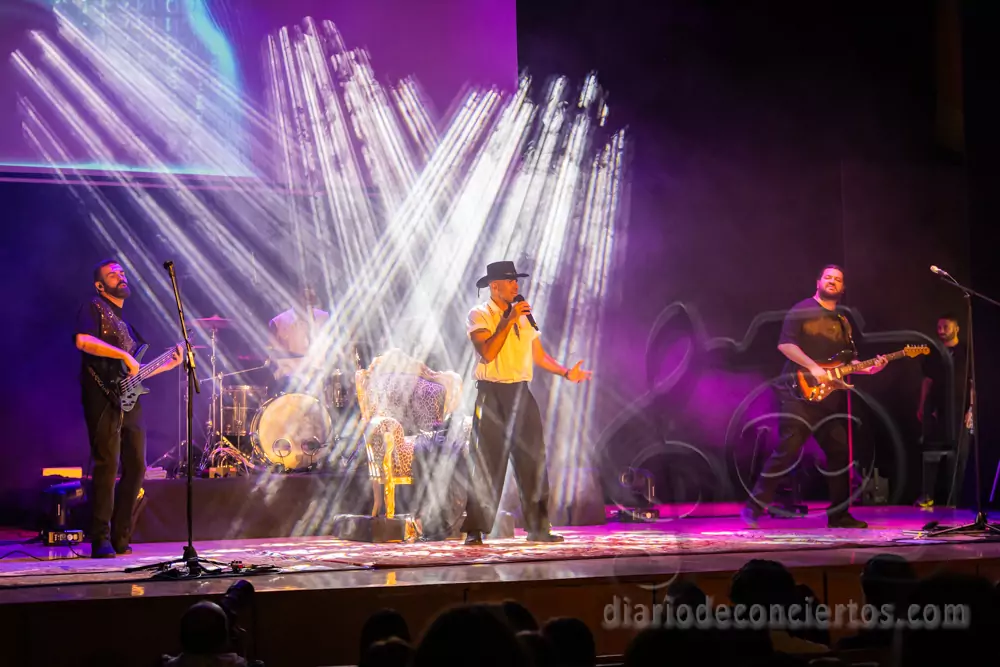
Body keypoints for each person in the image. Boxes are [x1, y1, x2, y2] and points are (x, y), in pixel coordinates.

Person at [741, 264, 886, 529]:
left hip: (829, 401)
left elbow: (848, 363)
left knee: (840, 453)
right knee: (788, 451)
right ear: (818, 282)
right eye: (828, 277)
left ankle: (839, 515)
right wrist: (812, 366)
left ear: (843, 288)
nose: (832, 281)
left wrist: (869, 368)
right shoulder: (802, 309)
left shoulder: (843, 322)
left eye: (838, 279)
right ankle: (754, 507)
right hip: (798, 394)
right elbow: (785, 345)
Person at [462, 261, 592, 546]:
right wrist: (508, 320)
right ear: (494, 285)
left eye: (516, 280)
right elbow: (487, 353)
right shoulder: (479, 314)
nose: (516, 285)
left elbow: (539, 356)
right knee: (486, 462)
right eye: (510, 281)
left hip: (521, 392)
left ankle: (538, 527)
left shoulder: (523, 316)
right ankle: (475, 529)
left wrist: (567, 373)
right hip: (491, 394)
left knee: (533, 461)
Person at [75, 260, 182, 557]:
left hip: (129, 399)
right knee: (107, 464)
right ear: (100, 285)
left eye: (122, 273)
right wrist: (122, 355)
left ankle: (121, 536)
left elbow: (137, 371)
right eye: (112, 274)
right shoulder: (93, 307)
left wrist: (169, 364)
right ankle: (100, 538)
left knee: (136, 465)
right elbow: (83, 341)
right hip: (102, 395)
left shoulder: (129, 327)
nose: (120, 276)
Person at [915, 312, 971, 508]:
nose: (941, 331)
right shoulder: (933, 352)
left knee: (960, 455)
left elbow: (973, 382)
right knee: (931, 452)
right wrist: (922, 405)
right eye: (939, 327)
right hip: (936, 408)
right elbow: (927, 381)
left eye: (946, 327)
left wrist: (972, 410)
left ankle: (955, 499)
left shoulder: (966, 351)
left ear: (956, 329)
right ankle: (927, 495)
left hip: (961, 409)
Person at [267, 284, 330, 393]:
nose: (308, 294)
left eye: (310, 289)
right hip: (291, 385)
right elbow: (273, 356)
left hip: (322, 381)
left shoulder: (324, 318)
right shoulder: (278, 322)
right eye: (304, 290)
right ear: (294, 294)